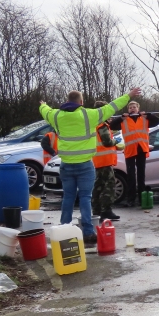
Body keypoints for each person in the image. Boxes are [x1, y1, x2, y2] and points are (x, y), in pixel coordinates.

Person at [39, 87, 141, 244]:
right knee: (86, 198)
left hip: (66, 164)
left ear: (67, 101)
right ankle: (87, 231)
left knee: (68, 197)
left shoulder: (56, 116)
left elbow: (45, 111)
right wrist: (129, 95)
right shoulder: (89, 115)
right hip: (85, 165)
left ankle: (64, 229)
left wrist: (42, 104)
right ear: (81, 102)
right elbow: (112, 106)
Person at [109, 101, 159, 207]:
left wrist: (149, 115)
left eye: (134, 107)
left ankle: (142, 198)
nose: (132, 109)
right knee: (131, 175)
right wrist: (121, 118)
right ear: (128, 110)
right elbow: (112, 125)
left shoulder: (144, 119)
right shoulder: (124, 120)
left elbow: (158, 121)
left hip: (141, 149)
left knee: (141, 174)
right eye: (130, 108)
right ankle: (131, 199)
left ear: (138, 108)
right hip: (130, 150)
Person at [92, 101, 121, 221]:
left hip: (97, 160)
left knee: (98, 186)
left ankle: (97, 211)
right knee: (109, 186)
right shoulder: (102, 125)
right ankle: (106, 211)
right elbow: (107, 142)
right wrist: (116, 142)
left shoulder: (93, 124)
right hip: (104, 161)